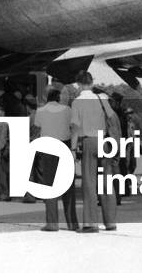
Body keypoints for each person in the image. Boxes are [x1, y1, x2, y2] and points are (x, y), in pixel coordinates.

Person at [69, 71, 117, 233]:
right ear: (91, 82)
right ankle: (110, 222)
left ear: (79, 84)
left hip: (88, 141)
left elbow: (75, 127)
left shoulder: (76, 102)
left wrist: (73, 148)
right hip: (104, 141)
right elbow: (112, 118)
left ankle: (90, 223)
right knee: (106, 181)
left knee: (89, 182)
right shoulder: (101, 99)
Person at [33, 88, 77, 232]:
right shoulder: (68, 110)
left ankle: (52, 223)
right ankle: (72, 223)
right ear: (59, 98)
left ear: (47, 98)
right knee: (68, 188)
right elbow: (74, 127)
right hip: (65, 145)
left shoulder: (40, 111)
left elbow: (38, 127)